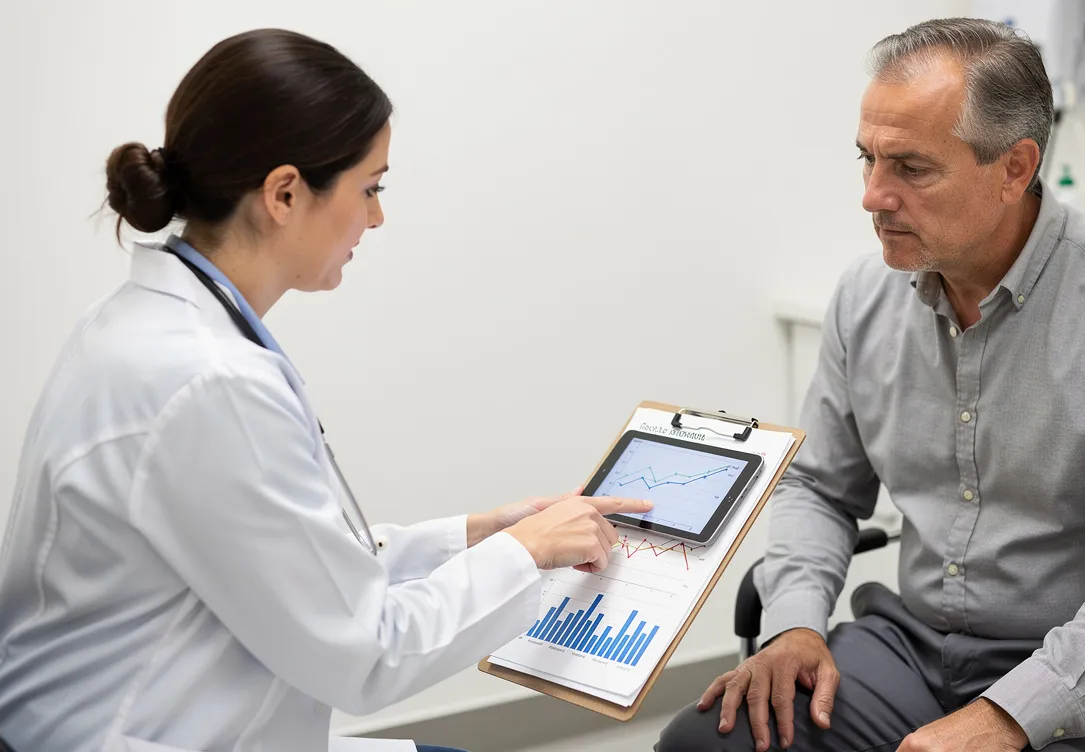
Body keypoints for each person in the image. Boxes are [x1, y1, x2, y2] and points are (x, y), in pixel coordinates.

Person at [0, 28, 652, 752]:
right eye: (370, 188)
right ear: (284, 194)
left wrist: (480, 533)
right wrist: (526, 553)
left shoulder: (143, 326)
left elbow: (292, 565)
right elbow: (367, 655)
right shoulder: (209, 383)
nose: (376, 217)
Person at [658, 18, 1085, 752]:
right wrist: (796, 624)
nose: (873, 196)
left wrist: (1008, 715)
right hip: (912, 647)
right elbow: (821, 488)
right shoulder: (866, 296)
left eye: (911, 168)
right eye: (867, 159)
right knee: (703, 744)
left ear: (1015, 168)